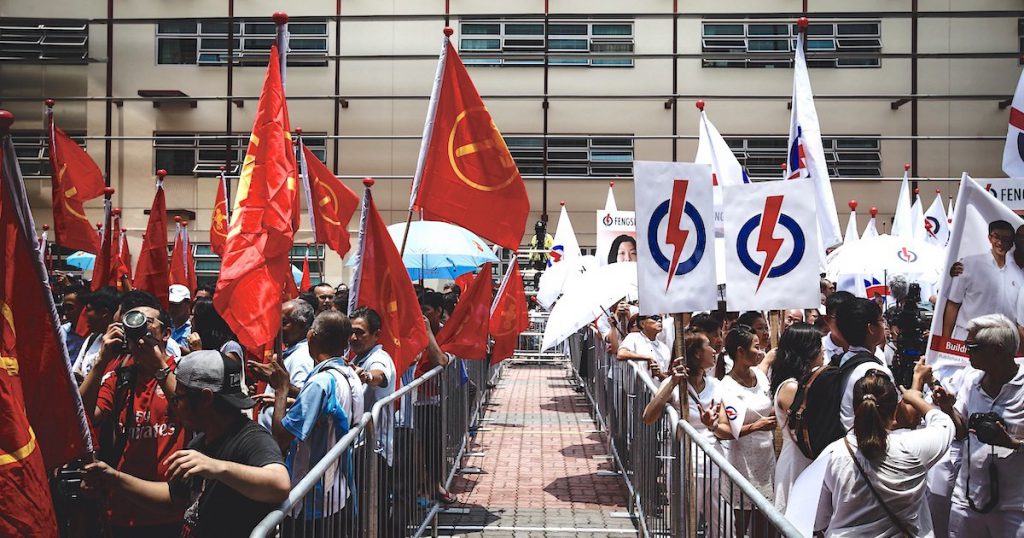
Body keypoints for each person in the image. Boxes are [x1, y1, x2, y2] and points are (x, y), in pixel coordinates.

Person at [84, 350, 291, 537]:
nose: (175, 407)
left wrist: (217, 467)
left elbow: (279, 484)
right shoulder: (201, 442)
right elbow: (173, 497)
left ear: (206, 398)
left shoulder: (251, 438)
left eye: (178, 399)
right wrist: (114, 478)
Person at [77, 302, 186, 536]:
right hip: (122, 511)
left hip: (170, 508)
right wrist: (101, 362)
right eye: (131, 324)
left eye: (146, 323)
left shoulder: (184, 373)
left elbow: (188, 414)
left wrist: (159, 366)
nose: (138, 330)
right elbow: (85, 416)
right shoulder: (120, 379)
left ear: (166, 333)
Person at [815, 368, 954, 537]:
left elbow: (819, 520)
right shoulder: (912, 449)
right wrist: (914, 398)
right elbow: (945, 424)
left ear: (854, 409)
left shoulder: (832, 455)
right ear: (895, 412)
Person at [270, 311, 365, 527]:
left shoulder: (321, 382)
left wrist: (282, 390)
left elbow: (281, 437)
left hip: (312, 498)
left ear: (311, 336)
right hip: (336, 491)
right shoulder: (349, 374)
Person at [941, 314, 1024, 537]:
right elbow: (960, 432)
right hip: (968, 500)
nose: (967, 352)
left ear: (998, 350)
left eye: (973, 347)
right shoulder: (971, 381)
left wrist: (1011, 443)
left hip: (1015, 507)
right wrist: (948, 409)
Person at [715, 325, 776, 536]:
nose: (760, 352)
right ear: (740, 351)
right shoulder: (726, 386)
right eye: (756, 347)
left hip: (767, 463)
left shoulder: (761, 376)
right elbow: (721, 429)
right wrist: (755, 427)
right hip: (742, 464)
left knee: (765, 526)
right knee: (739, 526)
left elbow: (770, 358)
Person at [348, 307, 398, 531]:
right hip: (358, 448)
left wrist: (367, 376)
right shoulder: (356, 357)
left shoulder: (379, 358)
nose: (353, 338)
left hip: (372, 451)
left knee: (372, 516)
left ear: (376, 334)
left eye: (360, 333)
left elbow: (380, 375)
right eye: (350, 332)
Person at [769, 322, 823, 513]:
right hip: (797, 458)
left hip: (807, 458)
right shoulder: (791, 387)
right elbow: (808, 423)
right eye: (818, 345)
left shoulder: (804, 383)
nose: (822, 350)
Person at [942, 220, 1021, 340]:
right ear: (989, 238)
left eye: (1006, 239)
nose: (1000, 242)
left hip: (1002, 343)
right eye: (996, 237)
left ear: (1011, 243)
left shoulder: (1018, 274)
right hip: (968, 339)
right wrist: (945, 342)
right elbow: (953, 304)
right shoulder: (967, 265)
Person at [251, 299, 315, 431]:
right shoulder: (292, 352)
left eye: (284, 323)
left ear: (302, 325)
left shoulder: (303, 356)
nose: (278, 328)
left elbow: (305, 398)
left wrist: (275, 382)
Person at [835, 298, 894, 431]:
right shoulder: (875, 372)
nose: (884, 326)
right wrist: (918, 380)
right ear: (871, 328)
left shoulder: (843, 360)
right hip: (868, 445)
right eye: (881, 320)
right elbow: (901, 419)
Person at [73, 286, 120, 381]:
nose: (85, 315)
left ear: (104, 313)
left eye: (88, 310)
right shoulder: (92, 339)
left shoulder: (120, 344)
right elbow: (75, 372)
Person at [616, 314, 670, 381]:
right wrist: (647, 358)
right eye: (654, 318)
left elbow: (666, 376)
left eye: (660, 318)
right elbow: (621, 354)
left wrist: (659, 374)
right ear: (642, 324)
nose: (659, 320)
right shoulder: (633, 337)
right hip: (638, 390)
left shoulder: (664, 348)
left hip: (657, 389)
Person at [822, 291, 856, 362]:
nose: (845, 323)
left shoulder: (868, 347)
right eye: (840, 318)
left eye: (850, 317)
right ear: (827, 319)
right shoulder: (816, 349)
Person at [59, 282, 88, 360]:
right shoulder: (61, 332)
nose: (66, 312)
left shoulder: (94, 334)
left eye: (70, 308)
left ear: (84, 308)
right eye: (64, 308)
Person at [167, 284, 192, 353]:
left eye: (176, 305)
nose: (171, 308)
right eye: (169, 304)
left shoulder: (195, 327)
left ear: (188, 303)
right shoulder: (163, 325)